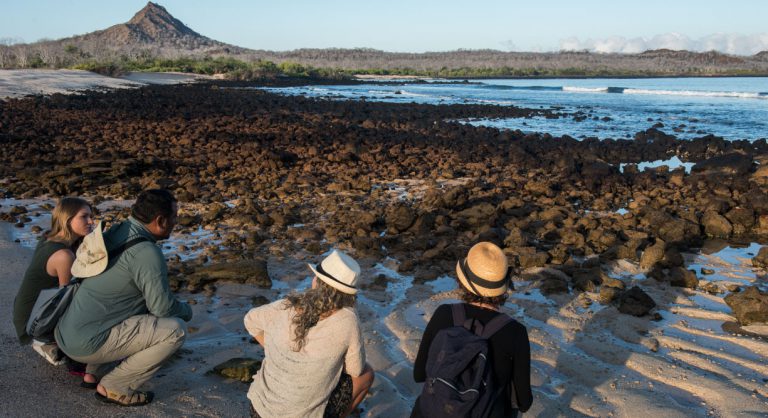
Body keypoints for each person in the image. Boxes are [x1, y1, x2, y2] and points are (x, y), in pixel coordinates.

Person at [55, 189, 192, 407]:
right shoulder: (147, 253)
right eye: (174, 216)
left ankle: (94, 372)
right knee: (175, 330)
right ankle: (115, 386)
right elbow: (162, 309)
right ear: (160, 220)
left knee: (125, 303)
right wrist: (187, 310)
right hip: (86, 344)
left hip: (67, 333)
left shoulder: (119, 230)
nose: (177, 221)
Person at [244, 249, 375, 418]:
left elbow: (250, 320)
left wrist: (275, 350)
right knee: (367, 374)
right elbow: (355, 370)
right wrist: (328, 364)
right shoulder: (348, 320)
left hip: (259, 410)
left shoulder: (284, 306)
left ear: (316, 282)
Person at [411, 242, 533, 417]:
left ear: (463, 281)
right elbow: (524, 402)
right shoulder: (516, 332)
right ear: (504, 286)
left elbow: (419, 374)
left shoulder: (443, 314)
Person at [12, 197, 96, 385]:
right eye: (84, 217)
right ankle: (50, 343)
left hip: (25, 312)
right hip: (33, 323)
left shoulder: (49, 237)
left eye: (91, 216)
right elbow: (66, 303)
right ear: (67, 220)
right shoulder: (64, 256)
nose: (91, 222)